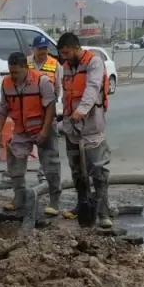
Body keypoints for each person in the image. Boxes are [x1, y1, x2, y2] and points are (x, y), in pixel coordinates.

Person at [57, 31, 112, 229]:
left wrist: (81, 110)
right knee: (78, 173)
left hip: (91, 129)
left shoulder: (94, 63)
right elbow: (65, 96)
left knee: (97, 171)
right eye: (62, 53)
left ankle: (103, 212)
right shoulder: (66, 67)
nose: (64, 56)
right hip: (72, 129)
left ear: (76, 48)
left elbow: (93, 87)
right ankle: (83, 205)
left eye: (67, 52)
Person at [0, 52, 61, 216]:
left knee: (50, 165)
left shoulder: (42, 81)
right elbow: (3, 108)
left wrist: (45, 131)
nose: (13, 76)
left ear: (26, 67)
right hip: (21, 130)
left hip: (43, 127)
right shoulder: (6, 83)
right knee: (15, 164)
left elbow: (50, 108)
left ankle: (54, 202)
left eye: (16, 72)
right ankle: (19, 198)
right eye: (11, 72)